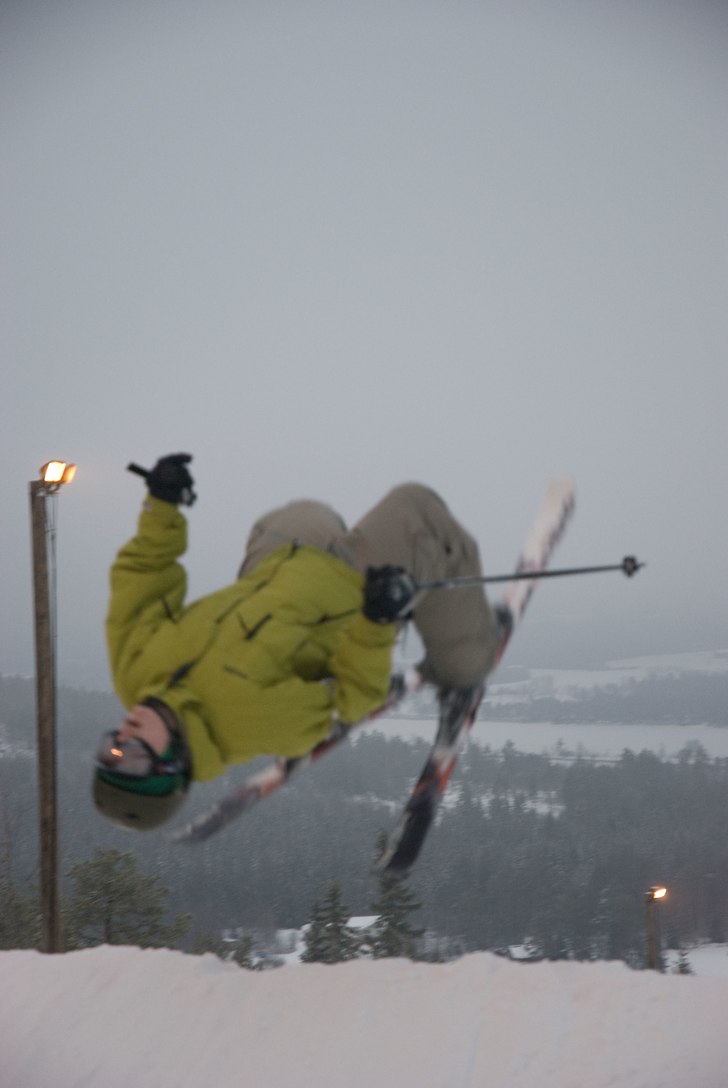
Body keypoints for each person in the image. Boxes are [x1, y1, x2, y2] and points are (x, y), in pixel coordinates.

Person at [94, 454, 501, 830]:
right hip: (353, 587)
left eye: (111, 746)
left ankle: (375, 566)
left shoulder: (134, 672)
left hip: (276, 570)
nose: (124, 735)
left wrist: (161, 505)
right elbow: (353, 697)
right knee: (418, 508)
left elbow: (142, 576)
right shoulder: (251, 722)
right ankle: (464, 660)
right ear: (172, 766)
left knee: (296, 515)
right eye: (132, 756)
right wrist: (376, 621)